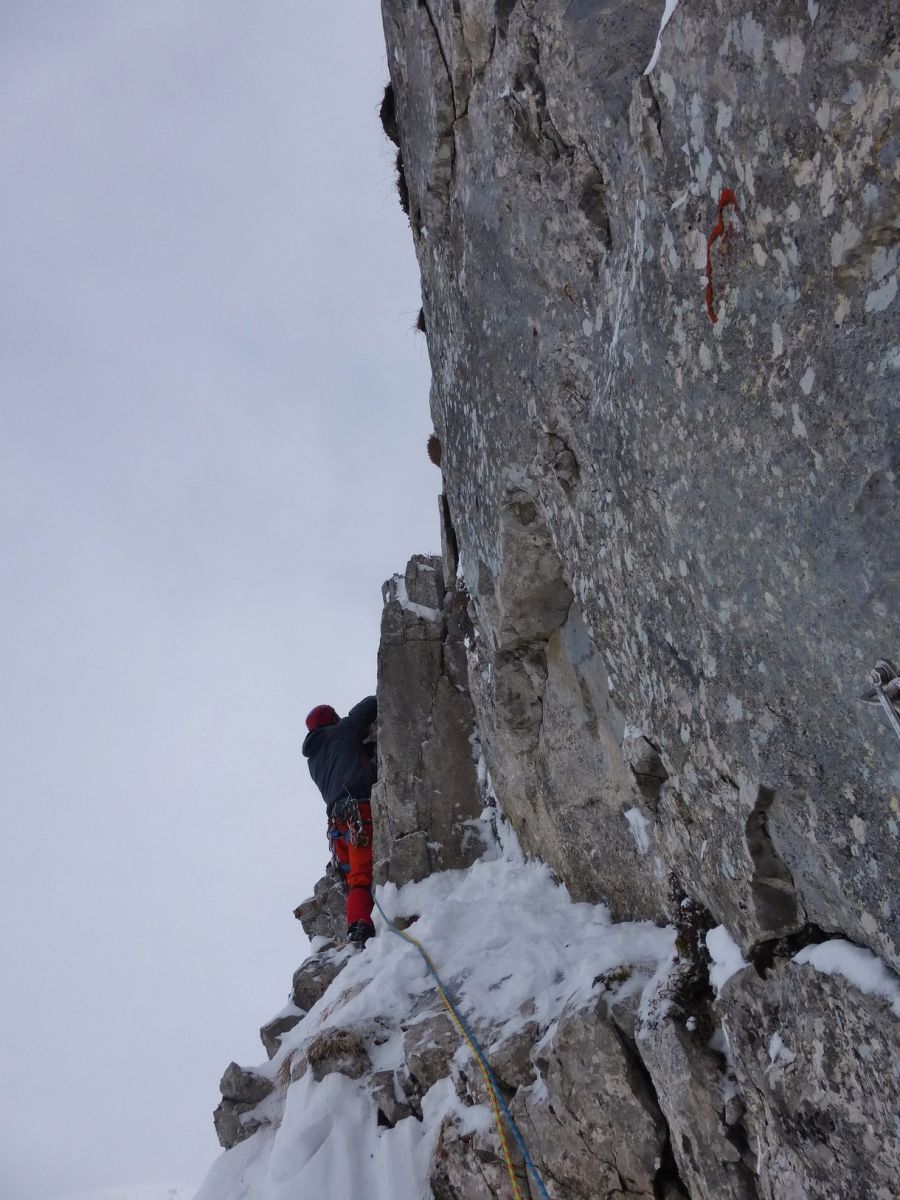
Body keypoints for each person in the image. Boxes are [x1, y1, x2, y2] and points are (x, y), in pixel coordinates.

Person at [301, 696, 378, 947]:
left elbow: (343, 761)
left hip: (337, 827)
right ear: (331, 719)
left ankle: (357, 925)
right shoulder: (342, 731)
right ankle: (361, 924)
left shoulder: (313, 761)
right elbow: (367, 707)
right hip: (357, 810)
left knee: (352, 878)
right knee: (361, 875)